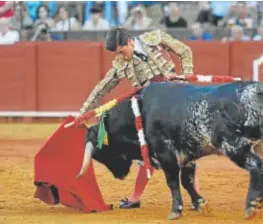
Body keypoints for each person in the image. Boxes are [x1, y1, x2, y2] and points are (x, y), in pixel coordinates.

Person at [79, 27, 200, 209]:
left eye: (121, 51)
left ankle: (196, 197)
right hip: (151, 111)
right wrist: (84, 112)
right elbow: (102, 88)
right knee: (146, 151)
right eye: (117, 54)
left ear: (129, 41)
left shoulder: (154, 38)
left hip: (175, 101)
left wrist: (186, 79)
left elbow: (185, 51)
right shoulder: (120, 64)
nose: (121, 57)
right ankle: (136, 197)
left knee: (184, 149)